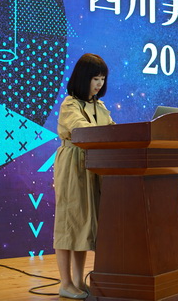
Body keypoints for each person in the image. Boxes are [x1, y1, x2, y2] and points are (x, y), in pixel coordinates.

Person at [53, 53, 114, 299]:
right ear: (82, 78)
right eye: (95, 78)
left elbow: (112, 131)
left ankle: (78, 281)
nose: (99, 84)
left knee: (84, 225)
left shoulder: (100, 106)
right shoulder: (70, 104)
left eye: (102, 79)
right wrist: (108, 133)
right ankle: (65, 283)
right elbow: (81, 129)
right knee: (69, 223)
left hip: (94, 165)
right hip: (73, 165)